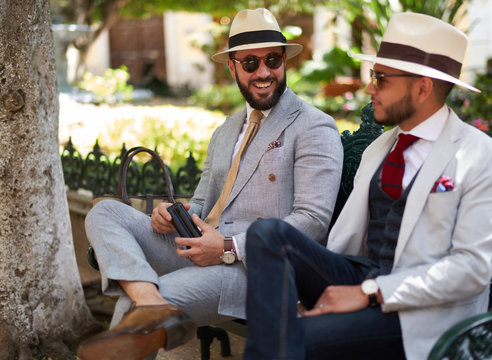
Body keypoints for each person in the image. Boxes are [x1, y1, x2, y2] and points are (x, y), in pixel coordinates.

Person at [243, 12, 492, 360]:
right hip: (362, 274)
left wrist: (371, 292)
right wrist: (298, 299)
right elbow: (350, 240)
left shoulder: (482, 157)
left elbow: (471, 270)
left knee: (295, 338)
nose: (369, 88)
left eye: (381, 78)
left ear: (423, 86)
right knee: (267, 235)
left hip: (422, 315)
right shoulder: (379, 148)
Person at [77, 8, 343, 360]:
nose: (263, 72)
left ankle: (151, 302)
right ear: (232, 67)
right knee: (106, 211)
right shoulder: (226, 131)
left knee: (135, 303)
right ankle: (151, 301)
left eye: (273, 60)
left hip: (261, 271)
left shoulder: (314, 126)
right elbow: (202, 203)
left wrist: (229, 247)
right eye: (250, 63)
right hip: (199, 249)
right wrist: (173, 215)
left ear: (284, 62)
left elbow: (312, 221)